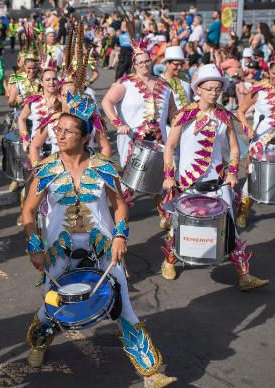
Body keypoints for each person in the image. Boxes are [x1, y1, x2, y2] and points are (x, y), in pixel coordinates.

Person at [21, 91, 176, 388]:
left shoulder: (103, 166)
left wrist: (120, 235)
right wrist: (34, 246)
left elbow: (120, 205)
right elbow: (28, 211)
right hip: (58, 249)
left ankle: (150, 371)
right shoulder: (46, 169)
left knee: (123, 305)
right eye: (58, 129)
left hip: (103, 245)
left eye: (67, 130)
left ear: (84, 137)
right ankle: (38, 341)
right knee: (54, 303)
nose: (59, 133)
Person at [160, 64, 269, 290]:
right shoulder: (185, 115)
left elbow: (235, 148)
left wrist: (231, 173)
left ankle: (244, 276)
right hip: (189, 183)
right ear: (198, 89)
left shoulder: (224, 116)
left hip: (218, 185)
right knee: (179, 226)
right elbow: (169, 146)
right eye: (208, 88)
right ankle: (169, 261)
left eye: (217, 89)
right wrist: (169, 176)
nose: (213, 93)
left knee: (231, 229)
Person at [102, 39, 174, 228]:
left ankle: (166, 218)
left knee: (158, 180)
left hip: (159, 142)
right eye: (140, 62)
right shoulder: (124, 83)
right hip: (132, 141)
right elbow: (106, 102)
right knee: (129, 182)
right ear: (134, 64)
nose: (144, 65)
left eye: (147, 61)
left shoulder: (164, 85)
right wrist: (118, 123)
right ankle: (118, 223)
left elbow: (174, 114)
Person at [235, 58, 275, 228]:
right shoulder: (259, 89)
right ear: (269, 71)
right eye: (274, 73)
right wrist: (248, 129)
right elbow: (240, 111)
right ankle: (242, 211)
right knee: (254, 176)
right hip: (262, 142)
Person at [160, 46, 192, 110]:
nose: (179, 67)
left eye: (181, 64)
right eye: (176, 64)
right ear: (167, 63)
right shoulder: (159, 82)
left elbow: (190, 98)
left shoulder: (185, 77)